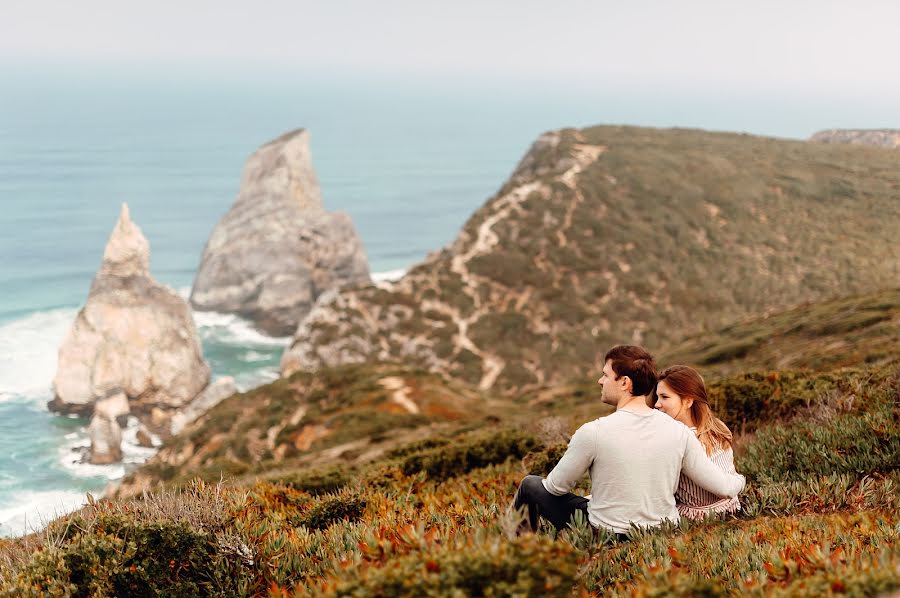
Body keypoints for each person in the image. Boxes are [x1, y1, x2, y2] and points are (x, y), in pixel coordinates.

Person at [512, 345, 744, 539]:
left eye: (605, 375)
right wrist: (740, 479)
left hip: (609, 534)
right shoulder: (680, 432)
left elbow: (555, 487)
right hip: (663, 532)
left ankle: (517, 552)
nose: (599, 381)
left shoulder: (593, 431)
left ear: (624, 382)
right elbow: (724, 487)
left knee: (530, 485)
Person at [654, 365, 741, 520]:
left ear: (688, 401)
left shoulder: (676, 440)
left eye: (664, 397)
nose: (657, 404)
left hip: (696, 517)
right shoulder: (718, 427)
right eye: (657, 397)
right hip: (731, 507)